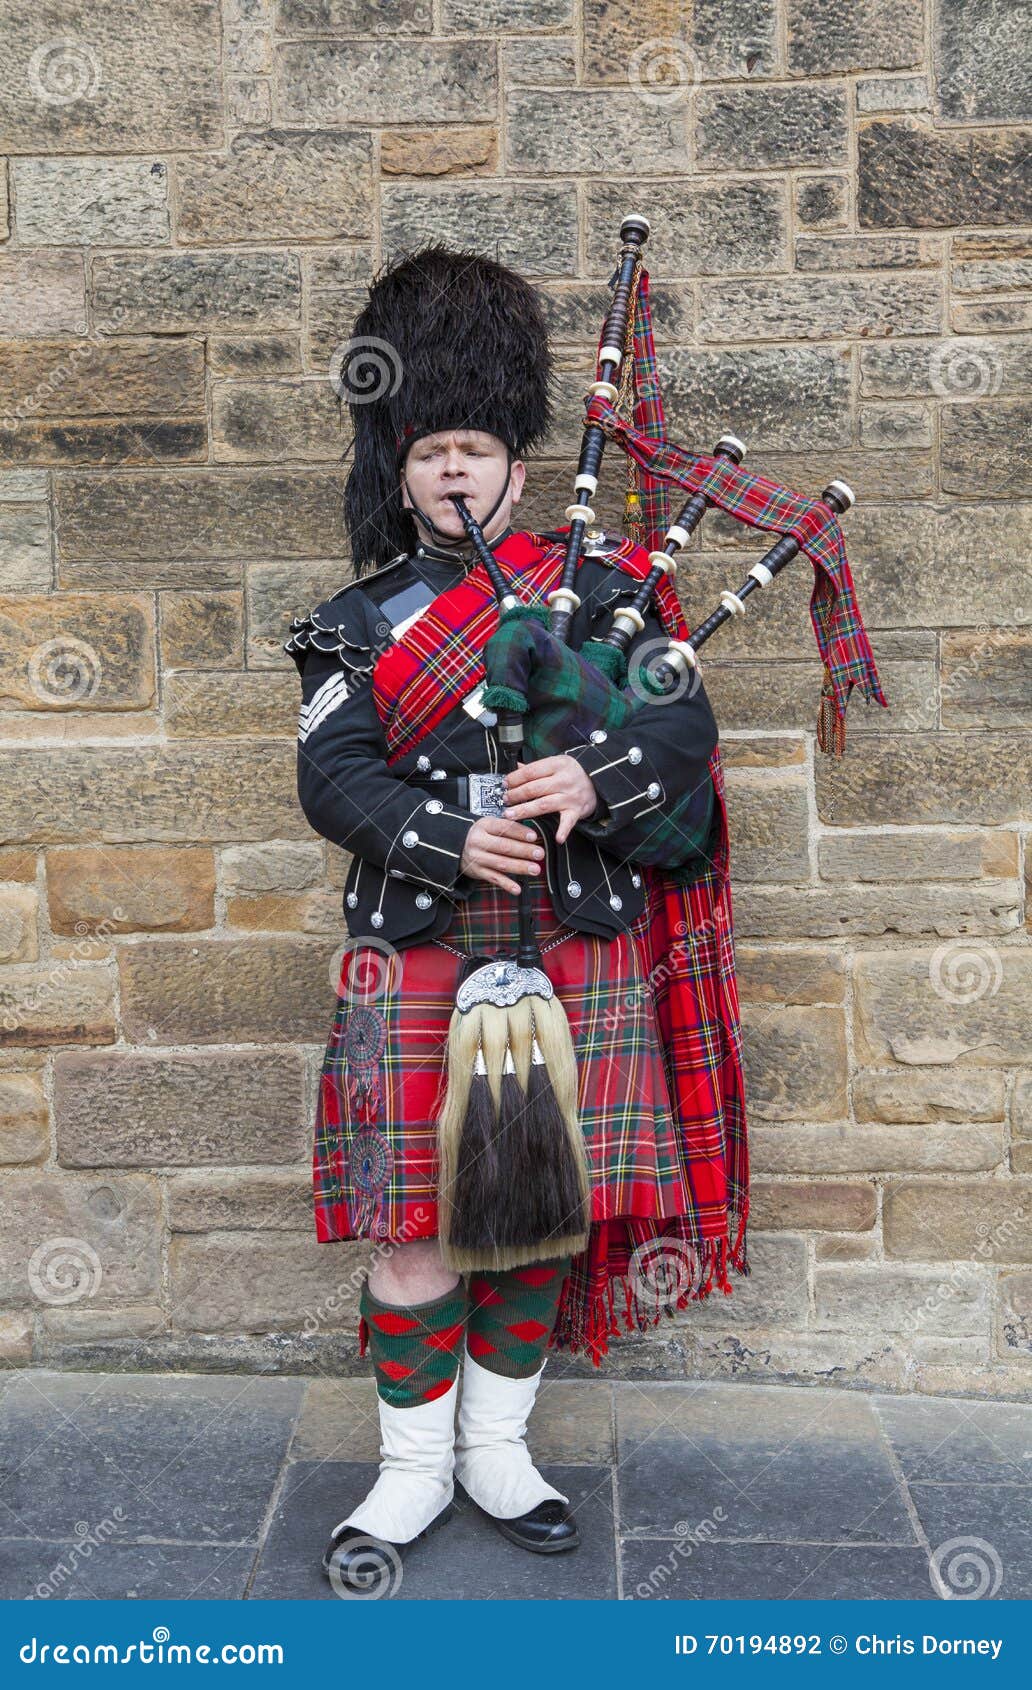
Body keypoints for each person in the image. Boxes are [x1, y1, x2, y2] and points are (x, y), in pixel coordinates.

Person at [284, 246, 745, 1594]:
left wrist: (594, 770)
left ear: (514, 468)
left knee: (538, 1209)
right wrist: (444, 833)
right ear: (402, 465)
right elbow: (333, 772)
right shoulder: (351, 623)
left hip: (571, 937)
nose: (451, 470)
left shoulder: (606, 594)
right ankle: (412, 1470)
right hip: (417, 940)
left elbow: (682, 719)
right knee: (413, 1221)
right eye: (428, 447)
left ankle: (499, 1449)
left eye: (473, 446)